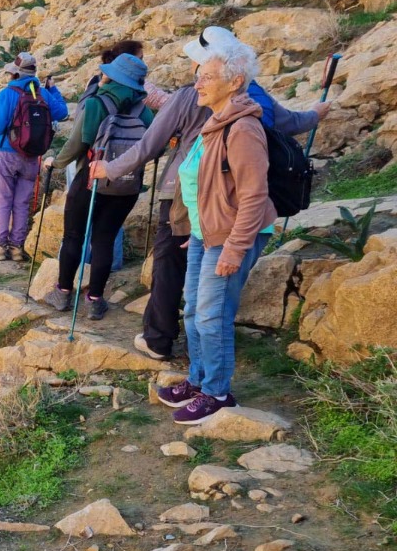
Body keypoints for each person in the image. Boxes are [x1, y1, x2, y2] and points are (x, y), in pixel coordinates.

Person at [91, 26, 328, 359]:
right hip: (230, 199)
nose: (196, 72)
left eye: (197, 63)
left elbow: (149, 145)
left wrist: (110, 169)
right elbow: (289, 124)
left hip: (183, 193)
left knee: (170, 264)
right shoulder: (253, 94)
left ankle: (161, 339)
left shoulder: (189, 95)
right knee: (207, 276)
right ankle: (200, 348)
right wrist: (317, 113)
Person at [156, 41, 275, 423]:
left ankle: (218, 392)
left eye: (206, 77)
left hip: (233, 236)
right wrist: (200, 227)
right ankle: (198, 379)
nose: (198, 84)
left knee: (212, 315)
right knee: (192, 311)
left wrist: (234, 248)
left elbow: (254, 196)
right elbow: (207, 187)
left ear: (235, 81)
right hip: (207, 232)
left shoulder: (243, 129)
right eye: (197, 77)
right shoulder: (215, 123)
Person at [43, 53, 155, 320]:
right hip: (125, 185)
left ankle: (63, 292)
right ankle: (95, 300)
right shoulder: (144, 111)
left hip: (89, 179)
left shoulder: (96, 103)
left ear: (113, 77)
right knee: (104, 240)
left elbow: (77, 144)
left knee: (73, 236)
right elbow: (153, 147)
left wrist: (55, 163)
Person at [0, 52, 68, 260]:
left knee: (4, 201)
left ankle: (0, 247)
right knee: (22, 202)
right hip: (31, 156)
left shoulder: (7, 93)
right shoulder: (43, 94)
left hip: (7, 153)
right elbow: (63, 112)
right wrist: (53, 88)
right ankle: (17, 248)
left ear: (16, 73)